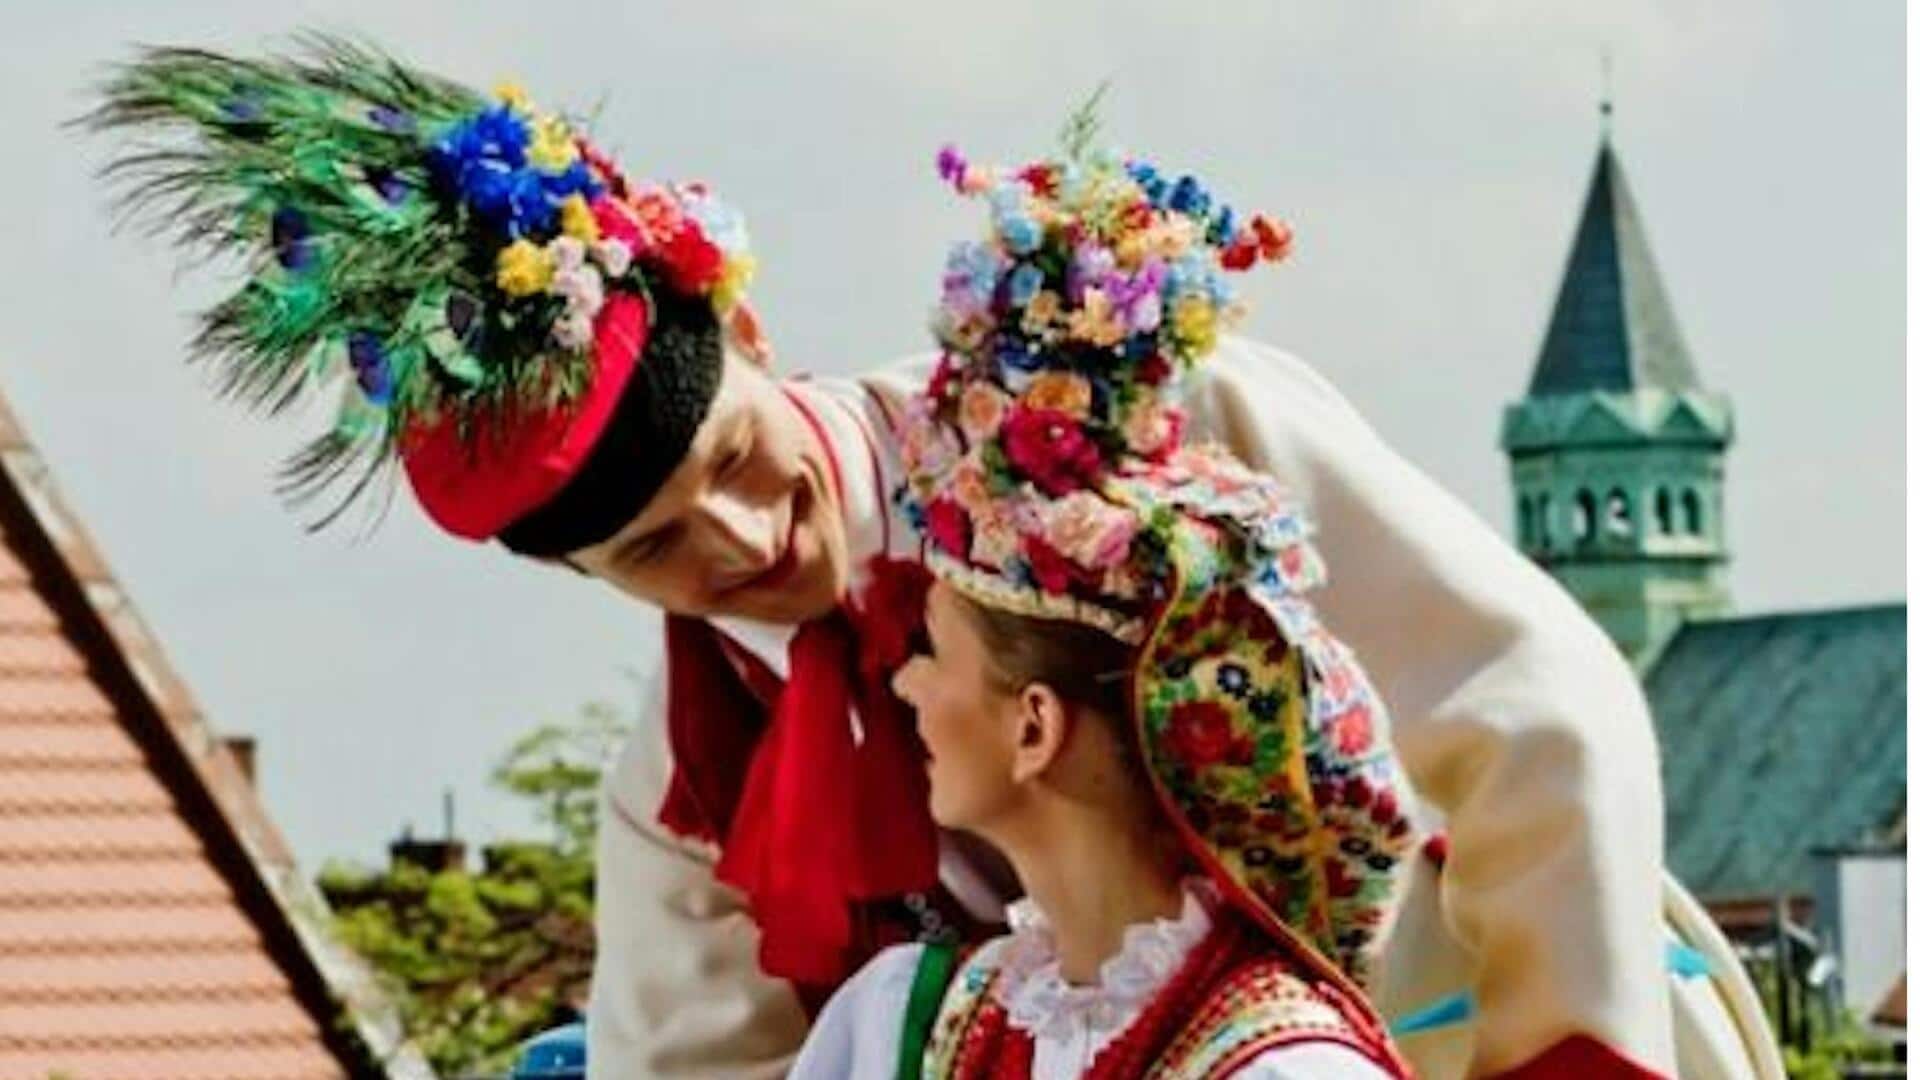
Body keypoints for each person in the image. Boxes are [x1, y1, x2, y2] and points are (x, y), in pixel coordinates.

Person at [90, 39, 1769, 1078]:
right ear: (580, 580)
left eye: (733, 459)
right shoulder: (684, 785)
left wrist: (1564, 1062)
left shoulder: (1132, 422)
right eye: (654, 549)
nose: (743, 540)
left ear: (751, 335)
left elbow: (1541, 710)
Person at [791, 137, 1415, 1077]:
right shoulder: (904, 1029)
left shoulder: (1283, 1068)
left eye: (933, 650)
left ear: (1034, 726)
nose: (906, 682)